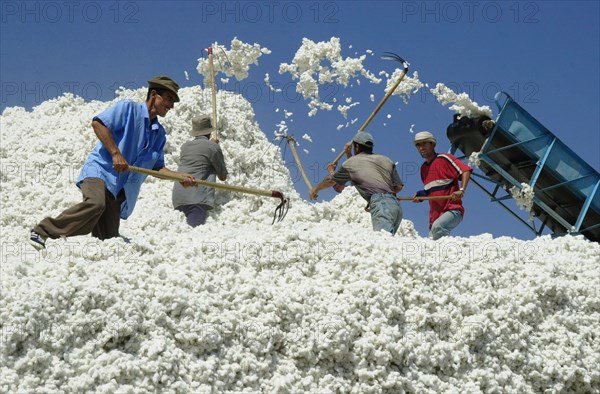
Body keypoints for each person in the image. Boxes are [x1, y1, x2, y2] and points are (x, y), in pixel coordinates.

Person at [29, 75, 196, 249]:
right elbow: (98, 124)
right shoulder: (128, 109)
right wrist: (116, 153)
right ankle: (42, 231)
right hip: (100, 171)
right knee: (96, 204)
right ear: (154, 94)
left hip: (120, 189)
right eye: (169, 99)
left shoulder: (159, 134)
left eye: (174, 102)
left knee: (108, 241)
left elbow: (157, 167)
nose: (171, 106)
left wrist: (179, 176)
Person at [309, 131, 404, 235]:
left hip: (381, 206)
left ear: (357, 147)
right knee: (388, 244)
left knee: (384, 242)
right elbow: (398, 187)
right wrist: (349, 155)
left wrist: (316, 189)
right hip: (395, 207)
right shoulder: (386, 160)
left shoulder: (350, 163)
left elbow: (331, 181)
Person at [412, 131, 472, 240]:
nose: (421, 147)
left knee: (438, 228)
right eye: (418, 145)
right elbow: (431, 190)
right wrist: (421, 195)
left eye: (425, 143)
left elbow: (465, 170)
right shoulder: (423, 169)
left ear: (433, 144)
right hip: (435, 218)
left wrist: (462, 190)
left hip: (452, 210)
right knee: (431, 243)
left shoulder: (444, 159)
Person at [172, 115, 228, 227]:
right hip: (197, 198)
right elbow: (223, 176)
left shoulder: (185, 146)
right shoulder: (212, 147)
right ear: (209, 131)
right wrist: (216, 147)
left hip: (179, 196)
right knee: (194, 234)